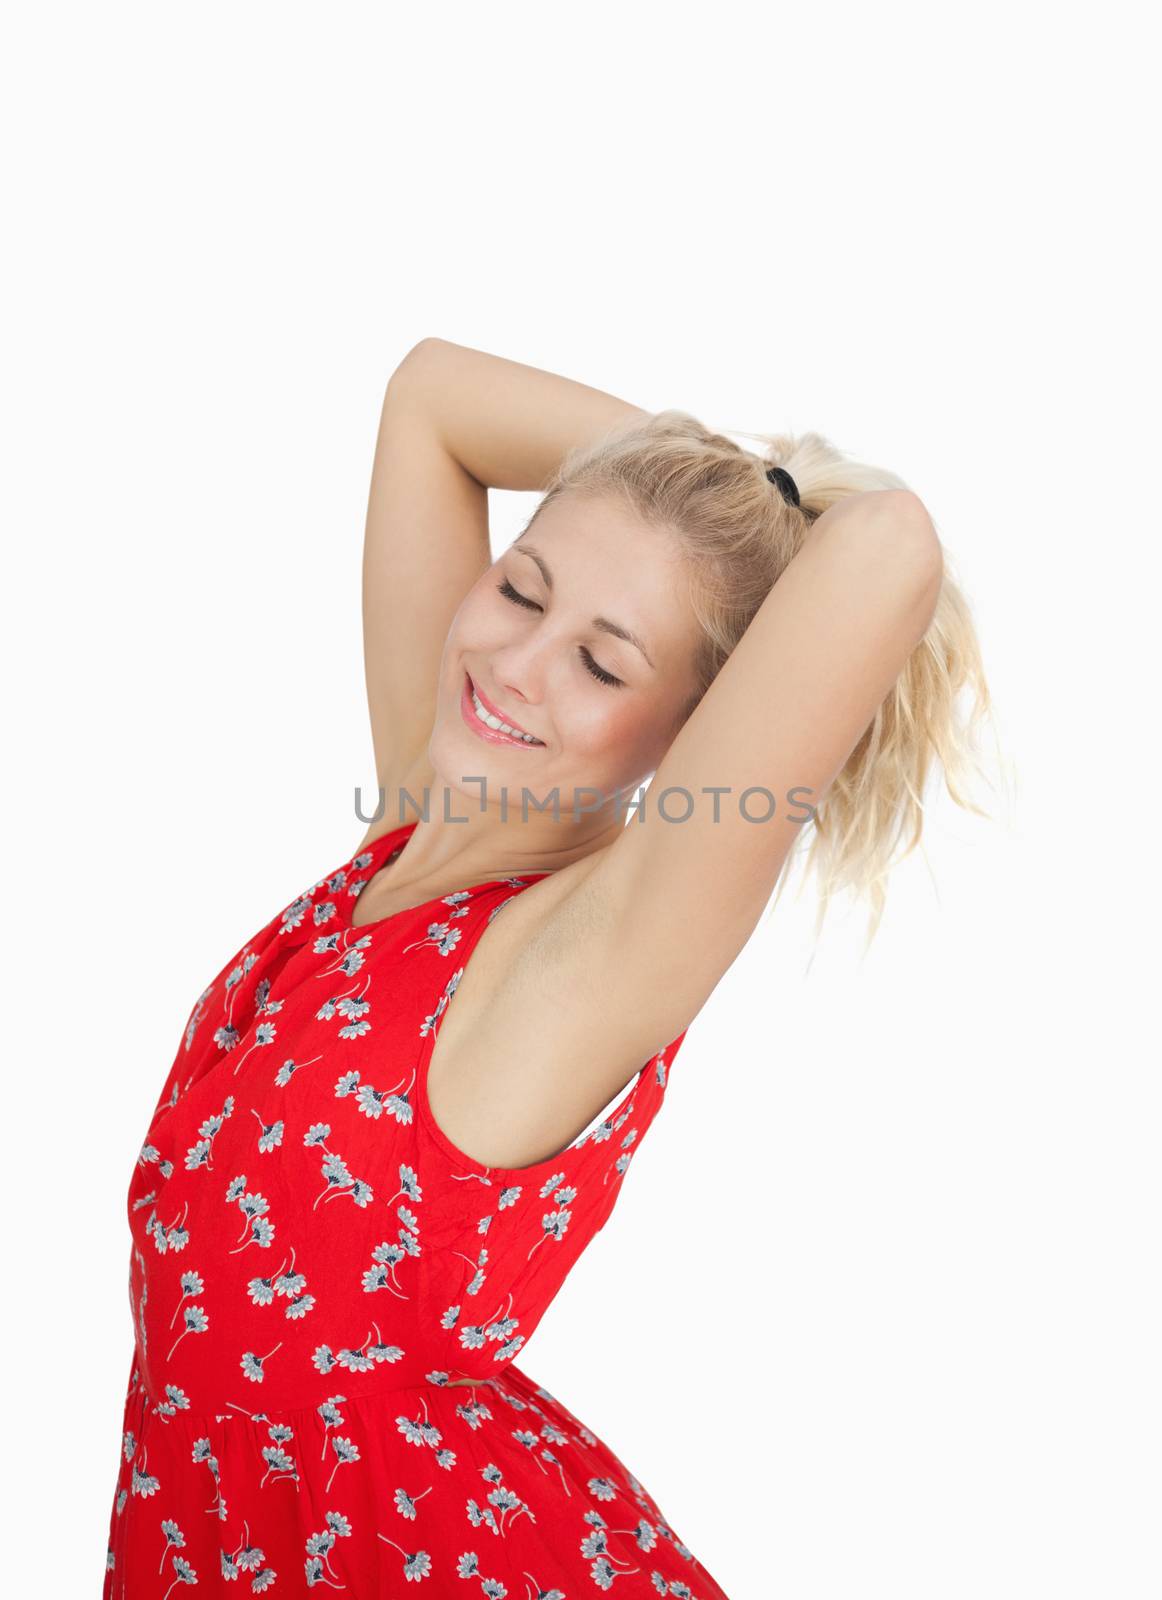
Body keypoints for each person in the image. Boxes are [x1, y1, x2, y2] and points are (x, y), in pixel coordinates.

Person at [103, 338, 992, 1596]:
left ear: (689, 738)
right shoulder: (419, 823)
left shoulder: (589, 952)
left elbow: (889, 544)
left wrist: (758, 520)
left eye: (602, 661)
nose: (518, 664)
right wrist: (681, 482)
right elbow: (430, 397)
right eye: (522, 589)